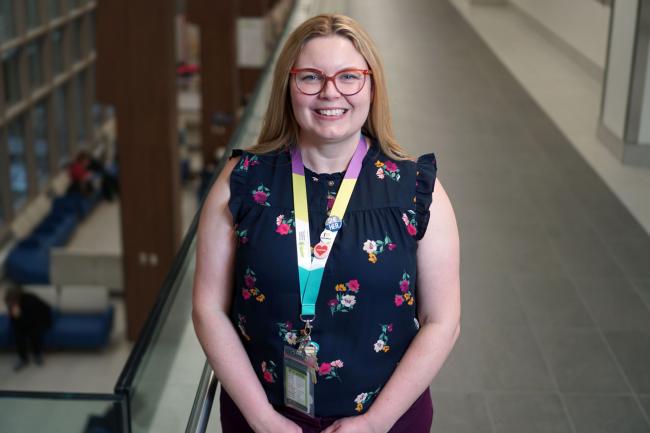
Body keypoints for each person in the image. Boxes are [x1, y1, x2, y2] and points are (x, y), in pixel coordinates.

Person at [192, 14, 460, 433]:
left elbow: (443, 320)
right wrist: (262, 419)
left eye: (349, 76)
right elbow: (208, 308)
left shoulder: (416, 191)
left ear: (371, 84)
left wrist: (374, 423)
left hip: (387, 421)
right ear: (288, 85)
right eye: (311, 77)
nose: (330, 92)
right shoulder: (243, 182)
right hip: (262, 419)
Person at [4, 285, 53, 371]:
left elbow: (34, 316)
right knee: (19, 337)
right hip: (22, 322)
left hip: (35, 319)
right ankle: (23, 359)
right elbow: (13, 319)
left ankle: (37, 354)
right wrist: (13, 315)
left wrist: (19, 315)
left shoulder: (29, 299)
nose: (11, 303)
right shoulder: (11, 303)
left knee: (35, 334)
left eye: (13, 301)